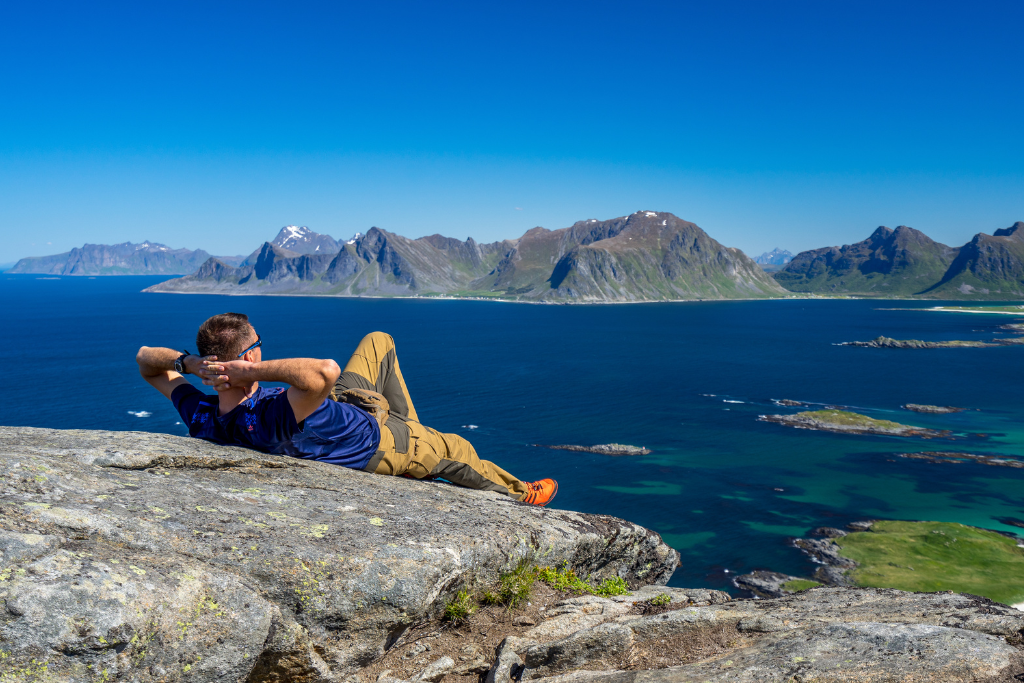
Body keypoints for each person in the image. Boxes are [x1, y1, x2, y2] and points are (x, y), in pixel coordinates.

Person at [135, 312, 558, 506]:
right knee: (456, 449)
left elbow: (145, 362)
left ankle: (408, 422)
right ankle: (521, 495)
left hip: (348, 404)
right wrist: (250, 370)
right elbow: (323, 372)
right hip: (382, 444)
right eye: (257, 346)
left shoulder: (204, 416)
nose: (263, 350)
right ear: (248, 358)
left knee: (379, 340)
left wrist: (186, 365)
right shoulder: (268, 420)